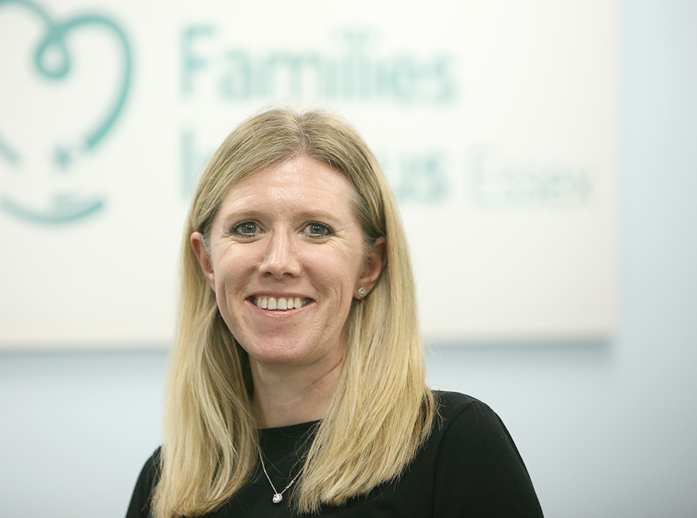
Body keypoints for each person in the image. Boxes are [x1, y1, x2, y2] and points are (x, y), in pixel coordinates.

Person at [126, 108, 543, 518]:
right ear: (208, 262)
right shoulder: (165, 482)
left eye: (317, 229)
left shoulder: (455, 445)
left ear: (369, 265)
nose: (278, 261)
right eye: (248, 227)